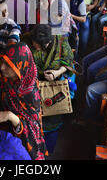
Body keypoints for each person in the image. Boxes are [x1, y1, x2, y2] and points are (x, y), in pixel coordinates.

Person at [0, 42, 48, 160]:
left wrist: (10, 116)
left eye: (8, 64)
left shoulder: (30, 93)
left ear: (20, 65)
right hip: (4, 133)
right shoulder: (5, 82)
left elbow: (33, 126)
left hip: (23, 141)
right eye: (2, 62)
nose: (2, 67)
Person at [29, 24, 75, 154]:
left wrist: (56, 73)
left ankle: (48, 150)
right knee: (36, 118)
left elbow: (69, 62)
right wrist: (40, 74)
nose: (33, 45)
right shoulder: (29, 43)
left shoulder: (61, 42)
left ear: (45, 43)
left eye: (36, 44)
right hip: (36, 84)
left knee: (53, 117)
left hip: (56, 87)